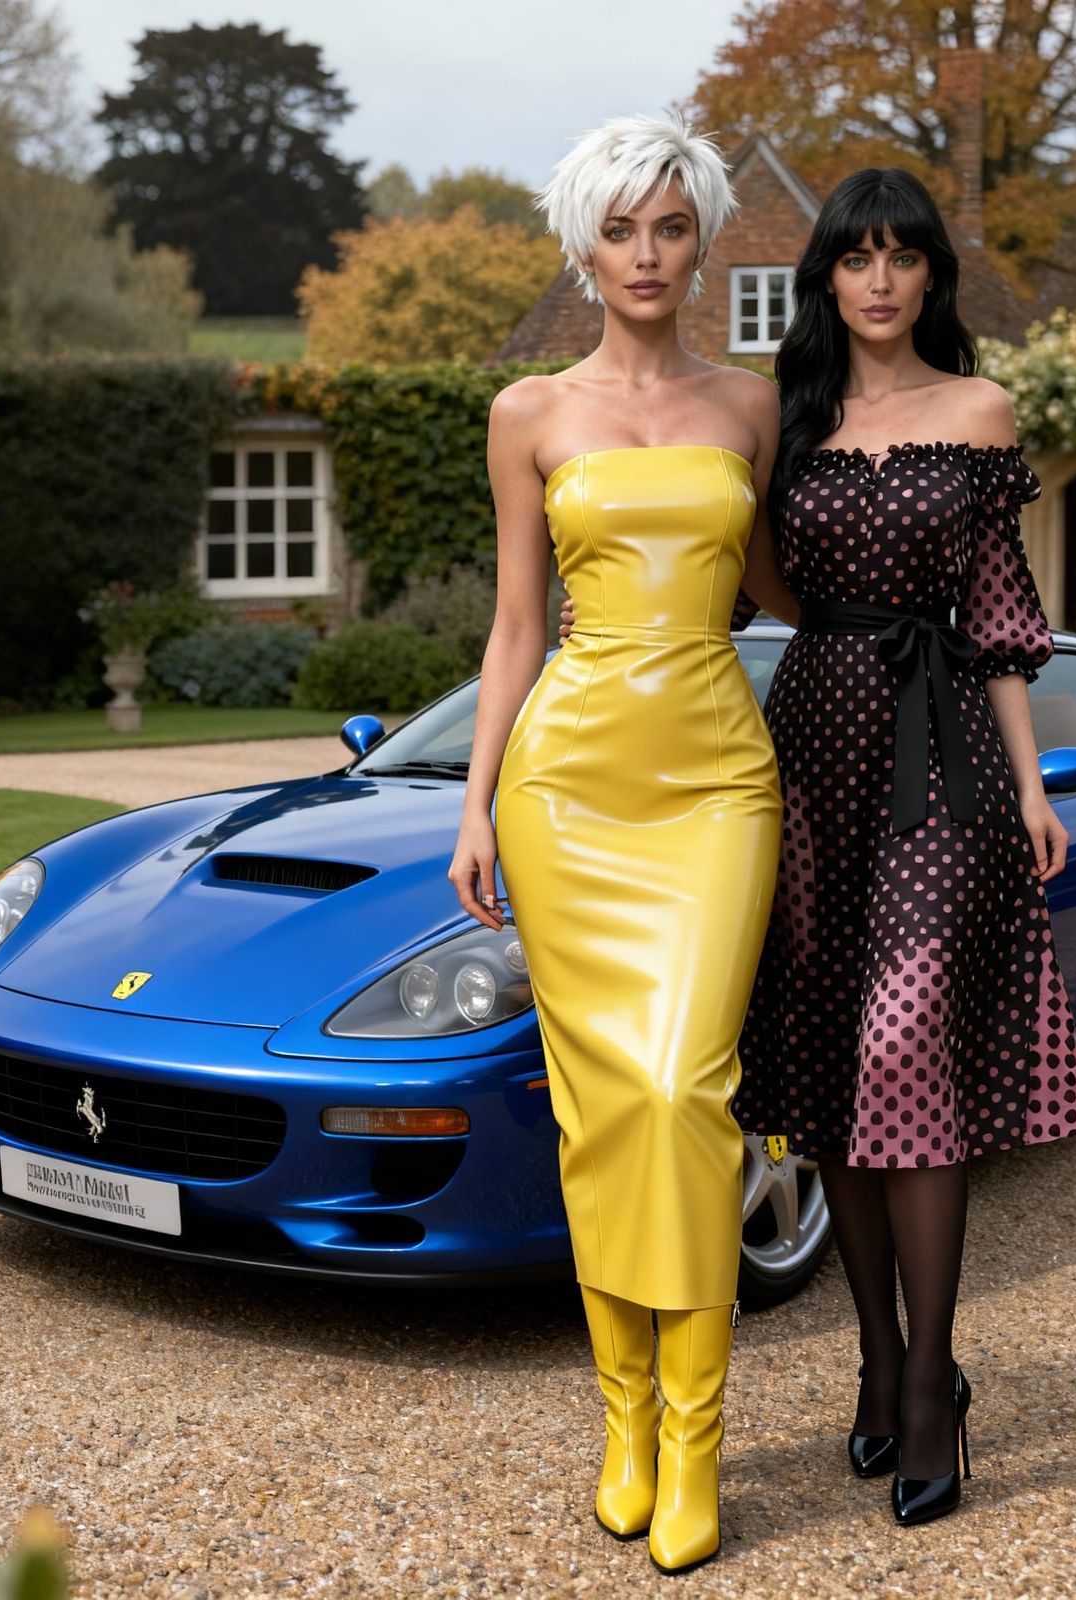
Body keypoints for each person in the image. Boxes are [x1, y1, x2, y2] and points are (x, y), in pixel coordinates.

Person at [733, 166, 1076, 1527]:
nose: (879, 278)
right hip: (814, 742)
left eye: (903, 255)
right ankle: (877, 1358)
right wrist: (826, 612)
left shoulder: (980, 410)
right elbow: (761, 573)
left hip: (945, 750)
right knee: (836, 1061)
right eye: (855, 256)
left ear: (933, 275)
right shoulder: (791, 419)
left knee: (904, 1042)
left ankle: (934, 1376)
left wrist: (1036, 785)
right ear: (826, 277)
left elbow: (1003, 610)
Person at [446, 114, 786, 1577]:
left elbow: (779, 593)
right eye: (621, 230)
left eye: (670, 228)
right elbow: (520, 623)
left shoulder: (754, 406)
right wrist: (475, 801)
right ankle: (626, 1425)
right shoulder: (529, 409)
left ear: (704, 241)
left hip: (717, 784)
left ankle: (699, 1441)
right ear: (584, 247)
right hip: (568, 790)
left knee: (684, 1093)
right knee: (602, 1112)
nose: (647, 255)